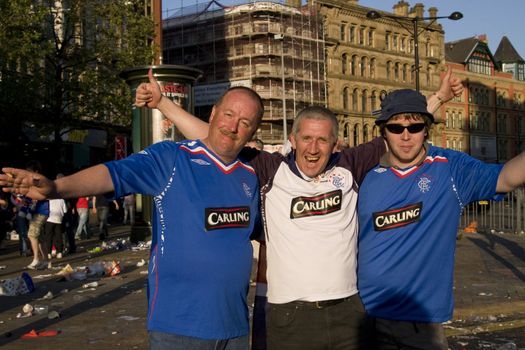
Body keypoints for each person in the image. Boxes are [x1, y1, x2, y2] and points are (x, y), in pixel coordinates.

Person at [134, 68, 463, 349]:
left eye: (322, 140)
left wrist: (439, 98)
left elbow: (401, 129)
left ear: (334, 143)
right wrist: (164, 103)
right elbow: (218, 138)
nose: (314, 148)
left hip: (349, 310)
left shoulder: (349, 164)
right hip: (290, 315)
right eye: (306, 139)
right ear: (293, 140)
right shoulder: (270, 169)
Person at [0, 85, 264, 349]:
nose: (233, 126)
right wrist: (57, 188)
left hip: (235, 328)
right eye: (229, 114)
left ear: (253, 131)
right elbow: (114, 173)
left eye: (245, 122)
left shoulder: (251, 174)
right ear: (213, 113)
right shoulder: (172, 158)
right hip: (179, 327)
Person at [356, 89, 525, 349]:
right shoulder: (364, 175)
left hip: (420, 322)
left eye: (414, 127)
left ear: (426, 129)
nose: (405, 135)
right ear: (383, 131)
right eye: (395, 127)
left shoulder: (449, 168)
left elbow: (506, 178)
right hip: (365, 317)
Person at [44, 174, 68, 260]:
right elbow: (65, 210)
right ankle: (59, 252)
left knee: (49, 236)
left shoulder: (48, 199)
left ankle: (49, 252)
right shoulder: (61, 199)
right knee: (58, 236)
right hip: (59, 220)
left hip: (50, 218)